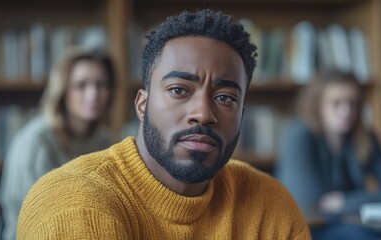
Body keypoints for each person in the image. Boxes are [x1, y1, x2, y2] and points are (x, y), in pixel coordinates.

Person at [17, 9, 311, 239]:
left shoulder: (269, 203)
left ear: (242, 116)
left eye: (225, 97)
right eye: (179, 90)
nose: (203, 113)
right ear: (142, 105)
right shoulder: (71, 199)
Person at [0, 48, 116, 240]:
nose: (93, 93)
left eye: (101, 84)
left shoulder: (106, 140)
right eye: (81, 85)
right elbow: (32, 218)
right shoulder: (36, 142)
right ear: (63, 90)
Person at [276, 71, 381, 239]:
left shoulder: (364, 138)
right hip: (308, 230)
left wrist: (345, 202)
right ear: (319, 105)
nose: (347, 111)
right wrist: (362, 201)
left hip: (352, 224)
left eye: (353, 103)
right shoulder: (300, 135)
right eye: (337, 103)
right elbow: (310, 204)